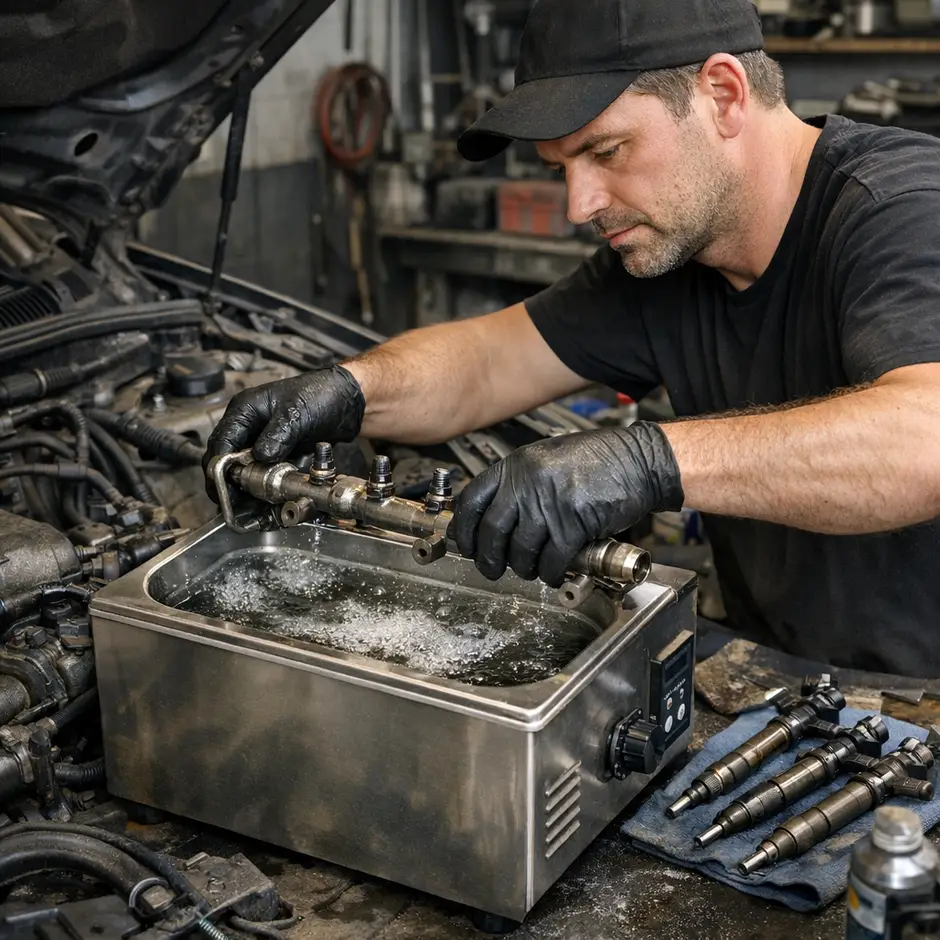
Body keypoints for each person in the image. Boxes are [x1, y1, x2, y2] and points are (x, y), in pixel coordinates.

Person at [205, 0, 940, 678]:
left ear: (722, 95)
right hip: (778, 676)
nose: (579, 205)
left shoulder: (900, 209)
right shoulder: (669, 256)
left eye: (608, 151)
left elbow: (924, 437)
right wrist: (350, 389)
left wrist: (644, 461)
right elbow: (488, 362)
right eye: (561, 169)